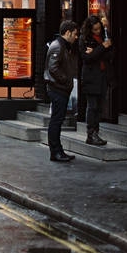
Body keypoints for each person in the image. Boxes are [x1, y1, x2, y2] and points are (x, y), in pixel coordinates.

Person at [45, 20, 80, 162]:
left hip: (60, 88)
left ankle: (58, 150)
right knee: (56, 120)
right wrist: (66, 80)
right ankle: (55, 152)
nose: (76, 37)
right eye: (75, 34)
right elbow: (53, 68)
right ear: (67, 32)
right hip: (57, 88)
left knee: (58, 120)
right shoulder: (58, 46)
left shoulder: (64, 46)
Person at [79, 15, 112, 146]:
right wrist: (102, 48)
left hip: (103, 76)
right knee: (92, 106)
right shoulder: (84, 39)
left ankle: (95, 133)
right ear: (90, 30)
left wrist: (97, 52)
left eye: (99, 28)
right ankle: (90, 133)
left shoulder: (105, 35)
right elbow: (87, 58)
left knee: (99, 107)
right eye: (95, 30)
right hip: (91, 78)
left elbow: (111, 54)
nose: (98, 31)